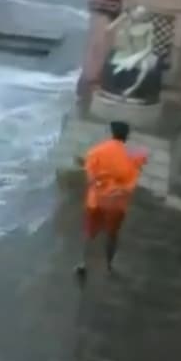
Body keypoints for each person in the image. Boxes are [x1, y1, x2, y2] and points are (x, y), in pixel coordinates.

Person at [75, 119, 148, 281]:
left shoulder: (96, 151)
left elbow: (90, 178)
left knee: (90, 233)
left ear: (111, 133)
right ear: (126, 136)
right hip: (117, 203)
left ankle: (83, 263)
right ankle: (109, 265)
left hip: (96, 200)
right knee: (112, 235)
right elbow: (132, 182)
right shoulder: (133, 155)